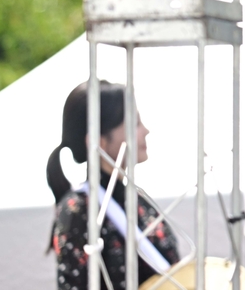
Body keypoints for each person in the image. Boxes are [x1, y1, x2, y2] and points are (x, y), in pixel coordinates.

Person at [48, 81, 180, 290]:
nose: (145, 130)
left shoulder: (136, 198)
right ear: (98, 141)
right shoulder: (79, 211)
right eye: (134, 123)